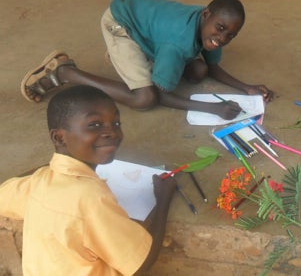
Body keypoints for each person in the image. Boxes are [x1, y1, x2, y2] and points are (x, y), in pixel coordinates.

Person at [0, 85, 177, 275]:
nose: (112, 132)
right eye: (94, 125)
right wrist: (163, 199)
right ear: (59, 137)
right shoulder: (90, 199)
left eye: (116, 123)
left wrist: (52, 163)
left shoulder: (39, 182)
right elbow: (140, 265)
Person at [20, 0, 274, 120]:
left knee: (200, 70)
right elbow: (162, 95)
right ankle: (65, 72)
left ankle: (135, 59)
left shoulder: (206, 24)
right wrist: (212, 108)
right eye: (220, 29)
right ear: (206, 15)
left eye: (231, 35)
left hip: (146, 25)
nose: (222, 39)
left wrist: (247, 88)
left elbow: (213, 67)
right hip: (122, 24)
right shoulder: (178, 42)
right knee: (144, 98)